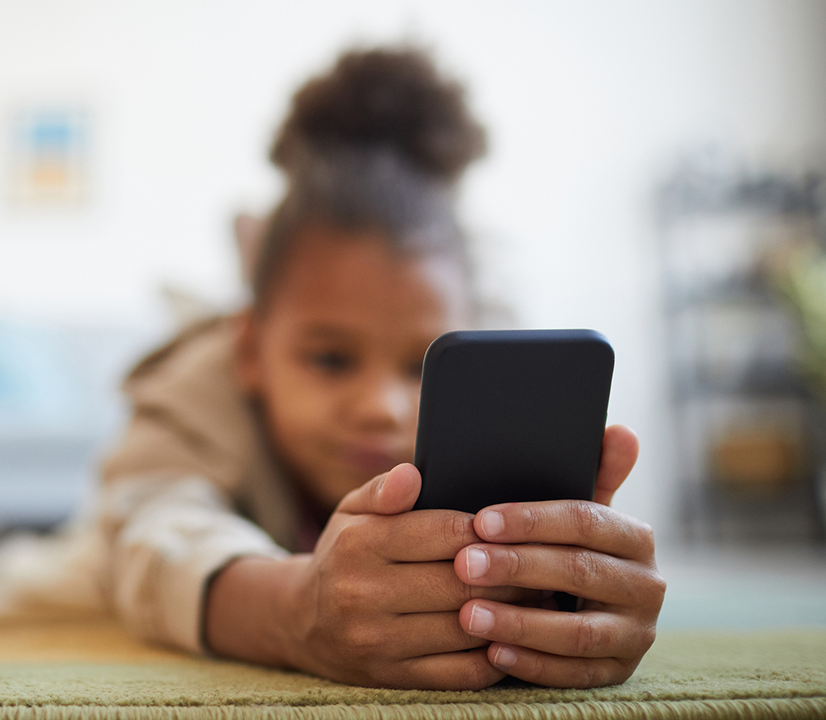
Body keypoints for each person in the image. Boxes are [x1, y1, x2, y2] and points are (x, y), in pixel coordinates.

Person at [93, 46, 665, 690]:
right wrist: (291, 608)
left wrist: (574, 582)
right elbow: (148, 542)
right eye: (331, 358)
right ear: (251, 351)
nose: (380, 407)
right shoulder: (197, 388)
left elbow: (573, 562)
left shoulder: (496, 406)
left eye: (426, 365)